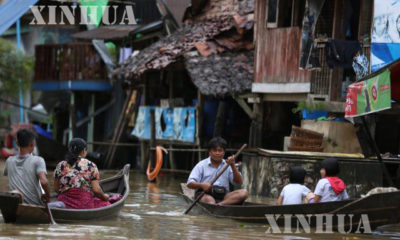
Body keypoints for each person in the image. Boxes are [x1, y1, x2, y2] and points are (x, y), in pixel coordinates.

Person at [187, 137, 248, 205]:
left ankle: (220, 204)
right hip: (205, 194)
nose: (217, 153)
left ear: (224, 152)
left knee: (244, 192)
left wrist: (233, 166)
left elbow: (239, 182)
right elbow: (189, 184)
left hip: (224, 196)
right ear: (210, 152)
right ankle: (216, 205)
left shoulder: (228, 165)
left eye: (220, 150)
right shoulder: (201, 165)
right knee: (210, 201)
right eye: (214, 150)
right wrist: (202, 185)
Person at [54, 138, 110, 209]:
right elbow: (96, 190)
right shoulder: (91, 165)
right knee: (106, 203)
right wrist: (105, 197)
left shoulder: (60, 165)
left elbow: (56, 189)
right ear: (84, 150)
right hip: (83, 204)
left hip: (64, 203)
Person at [3, 129, 51, 205]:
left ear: (17, 143)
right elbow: (44, 182)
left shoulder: (9, 160)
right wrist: (48, 196)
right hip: (35, 206)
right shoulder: (38, 160)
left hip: (16, 205)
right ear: (32, 144)